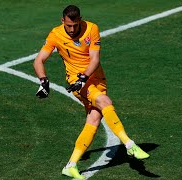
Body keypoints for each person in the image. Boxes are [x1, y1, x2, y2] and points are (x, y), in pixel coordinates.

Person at [33, 5, 149, 179]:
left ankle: (70, 165)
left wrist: (84, 77)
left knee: (94, 119)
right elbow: (38, 60)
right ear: (62, 21)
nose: (72, 30)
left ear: (80, 20)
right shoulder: (55, 34)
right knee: (105, 102)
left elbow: (95, 59)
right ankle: (129, 144)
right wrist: (43, 81)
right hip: (76, 82)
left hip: (96, 80)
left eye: (75, 25)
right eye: (68, 26)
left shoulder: (91, 28)